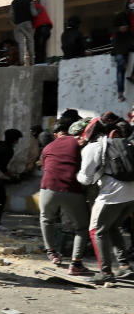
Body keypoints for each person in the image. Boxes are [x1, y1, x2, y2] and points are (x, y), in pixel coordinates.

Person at [76, 114, 134, 284]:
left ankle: (105, 273)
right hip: (132, 194)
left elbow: (86, 179)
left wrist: (77, 175)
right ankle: (124, 266)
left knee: (96, 231)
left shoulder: (93, 147)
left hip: (112, 193)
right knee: (113, 227)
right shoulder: (125, 143)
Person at [39, 117, 93, 276]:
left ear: (55, 134)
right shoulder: (78, 142)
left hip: (47, 188)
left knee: (46, 219)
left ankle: (52, 253)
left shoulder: (47, 147)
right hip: (71, 188)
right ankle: (76, 264)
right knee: (82, 228)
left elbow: (46, 167)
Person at [8, 0, 37, 66]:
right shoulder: (29, 0)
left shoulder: (14, 2)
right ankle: (32, 62)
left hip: (18, 25)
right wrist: (38, 12)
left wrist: (15, 23)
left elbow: (10, 15)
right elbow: (34, 13)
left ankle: (21, 62)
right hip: (27, 23)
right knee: (30, 42)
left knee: (20, 43)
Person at [111, 11, 133, 103]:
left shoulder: (118, 30)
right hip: (122, 51)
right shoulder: (125, 30)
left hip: (120, 51)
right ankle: (120, 94)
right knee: (121, 71)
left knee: (120, 71)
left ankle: (120, 94)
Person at [32, 0, 53, 64]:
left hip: (41, 28)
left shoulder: (31, 7)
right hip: (47, 29)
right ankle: (43, 63)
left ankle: (38, 64)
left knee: (38, 48)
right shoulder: (39, 6)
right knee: (43, 48)